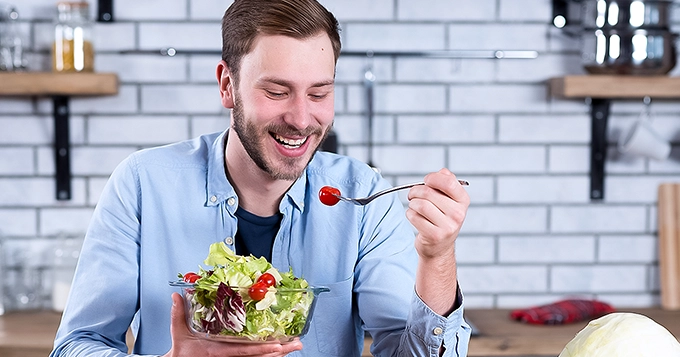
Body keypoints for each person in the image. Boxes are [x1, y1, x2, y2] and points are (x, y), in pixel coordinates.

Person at [49, 0, 471, 356]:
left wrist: (438, 259)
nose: (302, 119)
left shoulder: (363, 198)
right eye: (276, 92)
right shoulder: (143, 184)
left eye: (319, 93)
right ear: (228, 86)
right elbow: (77, 344)